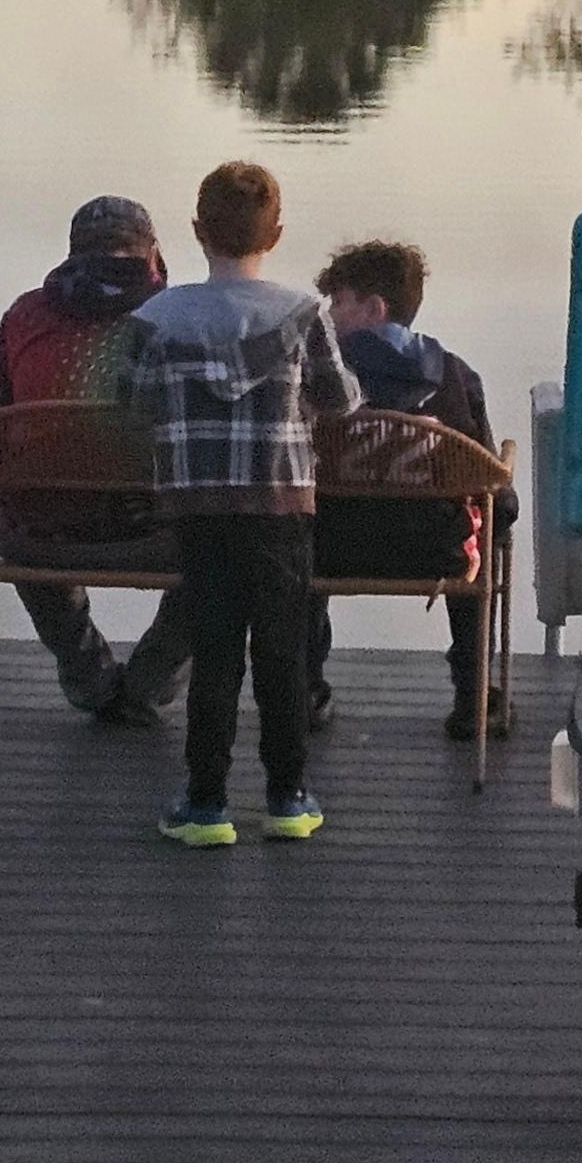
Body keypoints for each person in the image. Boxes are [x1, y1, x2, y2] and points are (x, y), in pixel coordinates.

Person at [125, 160, 361, 847]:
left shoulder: (155, 317)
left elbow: (130, 402)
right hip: (281, 507)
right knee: (282, 653)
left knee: (215, 649)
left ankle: (206, 805)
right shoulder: (303, 313)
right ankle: (287, 798)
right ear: (278, 233)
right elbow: (340, 399)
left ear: (197, 230)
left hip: (198, 509)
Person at [304, 238, 515, 743]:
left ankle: (304, 688)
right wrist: (500, 513)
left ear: (373, 309)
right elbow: (492, 487)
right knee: (485, 521)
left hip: (329, 551)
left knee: (298, 518)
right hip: (436, 554)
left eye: (338, 302)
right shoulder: (456, 377)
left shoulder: (315, 379)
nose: (329, 315)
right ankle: (473, 695)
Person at [0, 196, 190, 716]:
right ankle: (153, 675)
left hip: (41, 538)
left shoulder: (24, 314)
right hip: (157, 535)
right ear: (151, 255)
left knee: (22, 500)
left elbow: (2, 430)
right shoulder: (182, 319)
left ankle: (86, 673)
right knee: (231, 539)